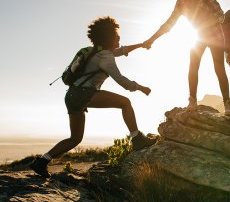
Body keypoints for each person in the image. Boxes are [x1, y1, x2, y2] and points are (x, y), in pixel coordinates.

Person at [30, 16, 156, 178]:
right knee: (125, 102)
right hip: (84, 94)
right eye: (117, 36)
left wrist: (140, 45)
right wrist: (140, 87)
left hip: (72, 95)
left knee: (75, 138)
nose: (119, 38)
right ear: (109, 38)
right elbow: (121, 80)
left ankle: (41, 161)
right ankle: (137, 138)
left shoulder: (94, 51)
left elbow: (120, 51)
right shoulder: (105, 57)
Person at [143, 0, 230, 116]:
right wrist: (152, 39)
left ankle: (227, 103)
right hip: (198, 37)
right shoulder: (180, 3)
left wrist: (209, 22)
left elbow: (220, 14)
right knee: (193, 66)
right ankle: (192, 101)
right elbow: (169, 23)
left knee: (219, 68)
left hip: (215, 36)